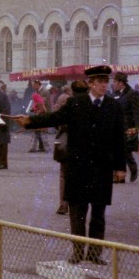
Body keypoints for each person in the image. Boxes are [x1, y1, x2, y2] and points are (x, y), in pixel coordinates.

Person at [16, 64, 127, 264]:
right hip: (78, 167)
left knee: (99, 214)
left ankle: (94, 253)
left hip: (102, 168)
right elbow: (54, 118)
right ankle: (77, 251)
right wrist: (30, 121)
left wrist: (120, 167)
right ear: (90, 83)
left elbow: (119, 138)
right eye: (100, 82)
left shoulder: (113, 106)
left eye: (106, 82)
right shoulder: (76, 103)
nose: (104, 85)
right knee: (77, 213)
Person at [52, 80, 89, 215]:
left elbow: (55, 117)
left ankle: (63, 204)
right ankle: (74, 203)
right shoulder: (86, 102)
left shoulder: (63, 99)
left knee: (64, 174)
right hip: (78, 142)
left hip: (65, 139)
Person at [111, 71, 139, 182]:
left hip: (128, 127)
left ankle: (133, 168)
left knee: (125, 151)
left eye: (115, 82)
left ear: (121, 83)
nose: (113, 84)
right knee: (118, 151)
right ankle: (120, 176)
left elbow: (137, 112)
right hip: (116, 126)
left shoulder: (132, 93)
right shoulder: (115, 94)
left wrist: (137, 127)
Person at [26, 80, 48, 152]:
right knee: (38, 131)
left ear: (37, 84)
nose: (33, 87)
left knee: (40, 131)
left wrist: (34, 109)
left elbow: (42, 104)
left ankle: (43, 147)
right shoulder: (38, 91)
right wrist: (33, 108)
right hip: (39, 113)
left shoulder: (44, 91)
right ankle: (41, 146)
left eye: (34, 85)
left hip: (42, 114)